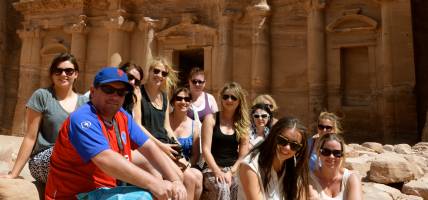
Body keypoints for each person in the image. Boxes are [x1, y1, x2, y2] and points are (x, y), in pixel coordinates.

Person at [45, 67, 187, 200]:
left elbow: (149, 148)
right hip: (73, 195)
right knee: (144, 197)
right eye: (108, 89)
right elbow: (105, 159)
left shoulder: (122, 116)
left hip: (102, 190)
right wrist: (154, 183)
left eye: (121, 92)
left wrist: (175, 180)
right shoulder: (82, 118)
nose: (115, 96)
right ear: (93, 91)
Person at [0, 53, 88, 183]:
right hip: (44, 158)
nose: (64, 74)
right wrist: (14, 173)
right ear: (52, 75)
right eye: (58, 71)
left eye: (69, 71)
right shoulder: (42, 96)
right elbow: (30, 137)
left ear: (76, 74)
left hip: (74, 160)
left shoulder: (85, 103)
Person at [141, 58, 202, 200]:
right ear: (149, 71)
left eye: (164, 73)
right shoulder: (139, 93)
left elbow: (166, 127)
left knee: (191, 179)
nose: (159, 75)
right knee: (178, 179)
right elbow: (138, 126)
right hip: (149, 145)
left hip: (165, 146)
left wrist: (177, 147)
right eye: (156, 71)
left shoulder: (164, 97)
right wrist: (162, 146)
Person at [238, 117, 310, 200]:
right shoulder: (250, 165)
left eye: (294, 145)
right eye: (282, 140)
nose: (287, 148)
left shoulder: (293, 164)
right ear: (273, 136)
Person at [201, 82, 250, 200]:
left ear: (239, 101)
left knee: (239, 186)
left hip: (233, 169)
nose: (229, 100)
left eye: (233, 97)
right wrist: (218, 171)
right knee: (222, 188)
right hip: (212, 168)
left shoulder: (242, 124)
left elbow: (243, 155)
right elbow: (205, 150)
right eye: (226, 96)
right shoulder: (211, 119)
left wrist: (231, 172)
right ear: (221, 98)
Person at [169, 87, 203, 200]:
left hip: (186, 164)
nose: (183, 102)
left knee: (197, 175)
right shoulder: (165, 121)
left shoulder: (194, 126)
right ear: (173, 101)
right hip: (166, 162)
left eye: (187, 99)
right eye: (179, 98)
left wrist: (185, 165)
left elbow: (196, 155)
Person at [309, 134, 362, 200]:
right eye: (326, 152)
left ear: (342, 155)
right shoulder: (309, 180)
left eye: (337, 153)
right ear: (318, 153)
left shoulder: (352, 179)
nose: (331, 156)